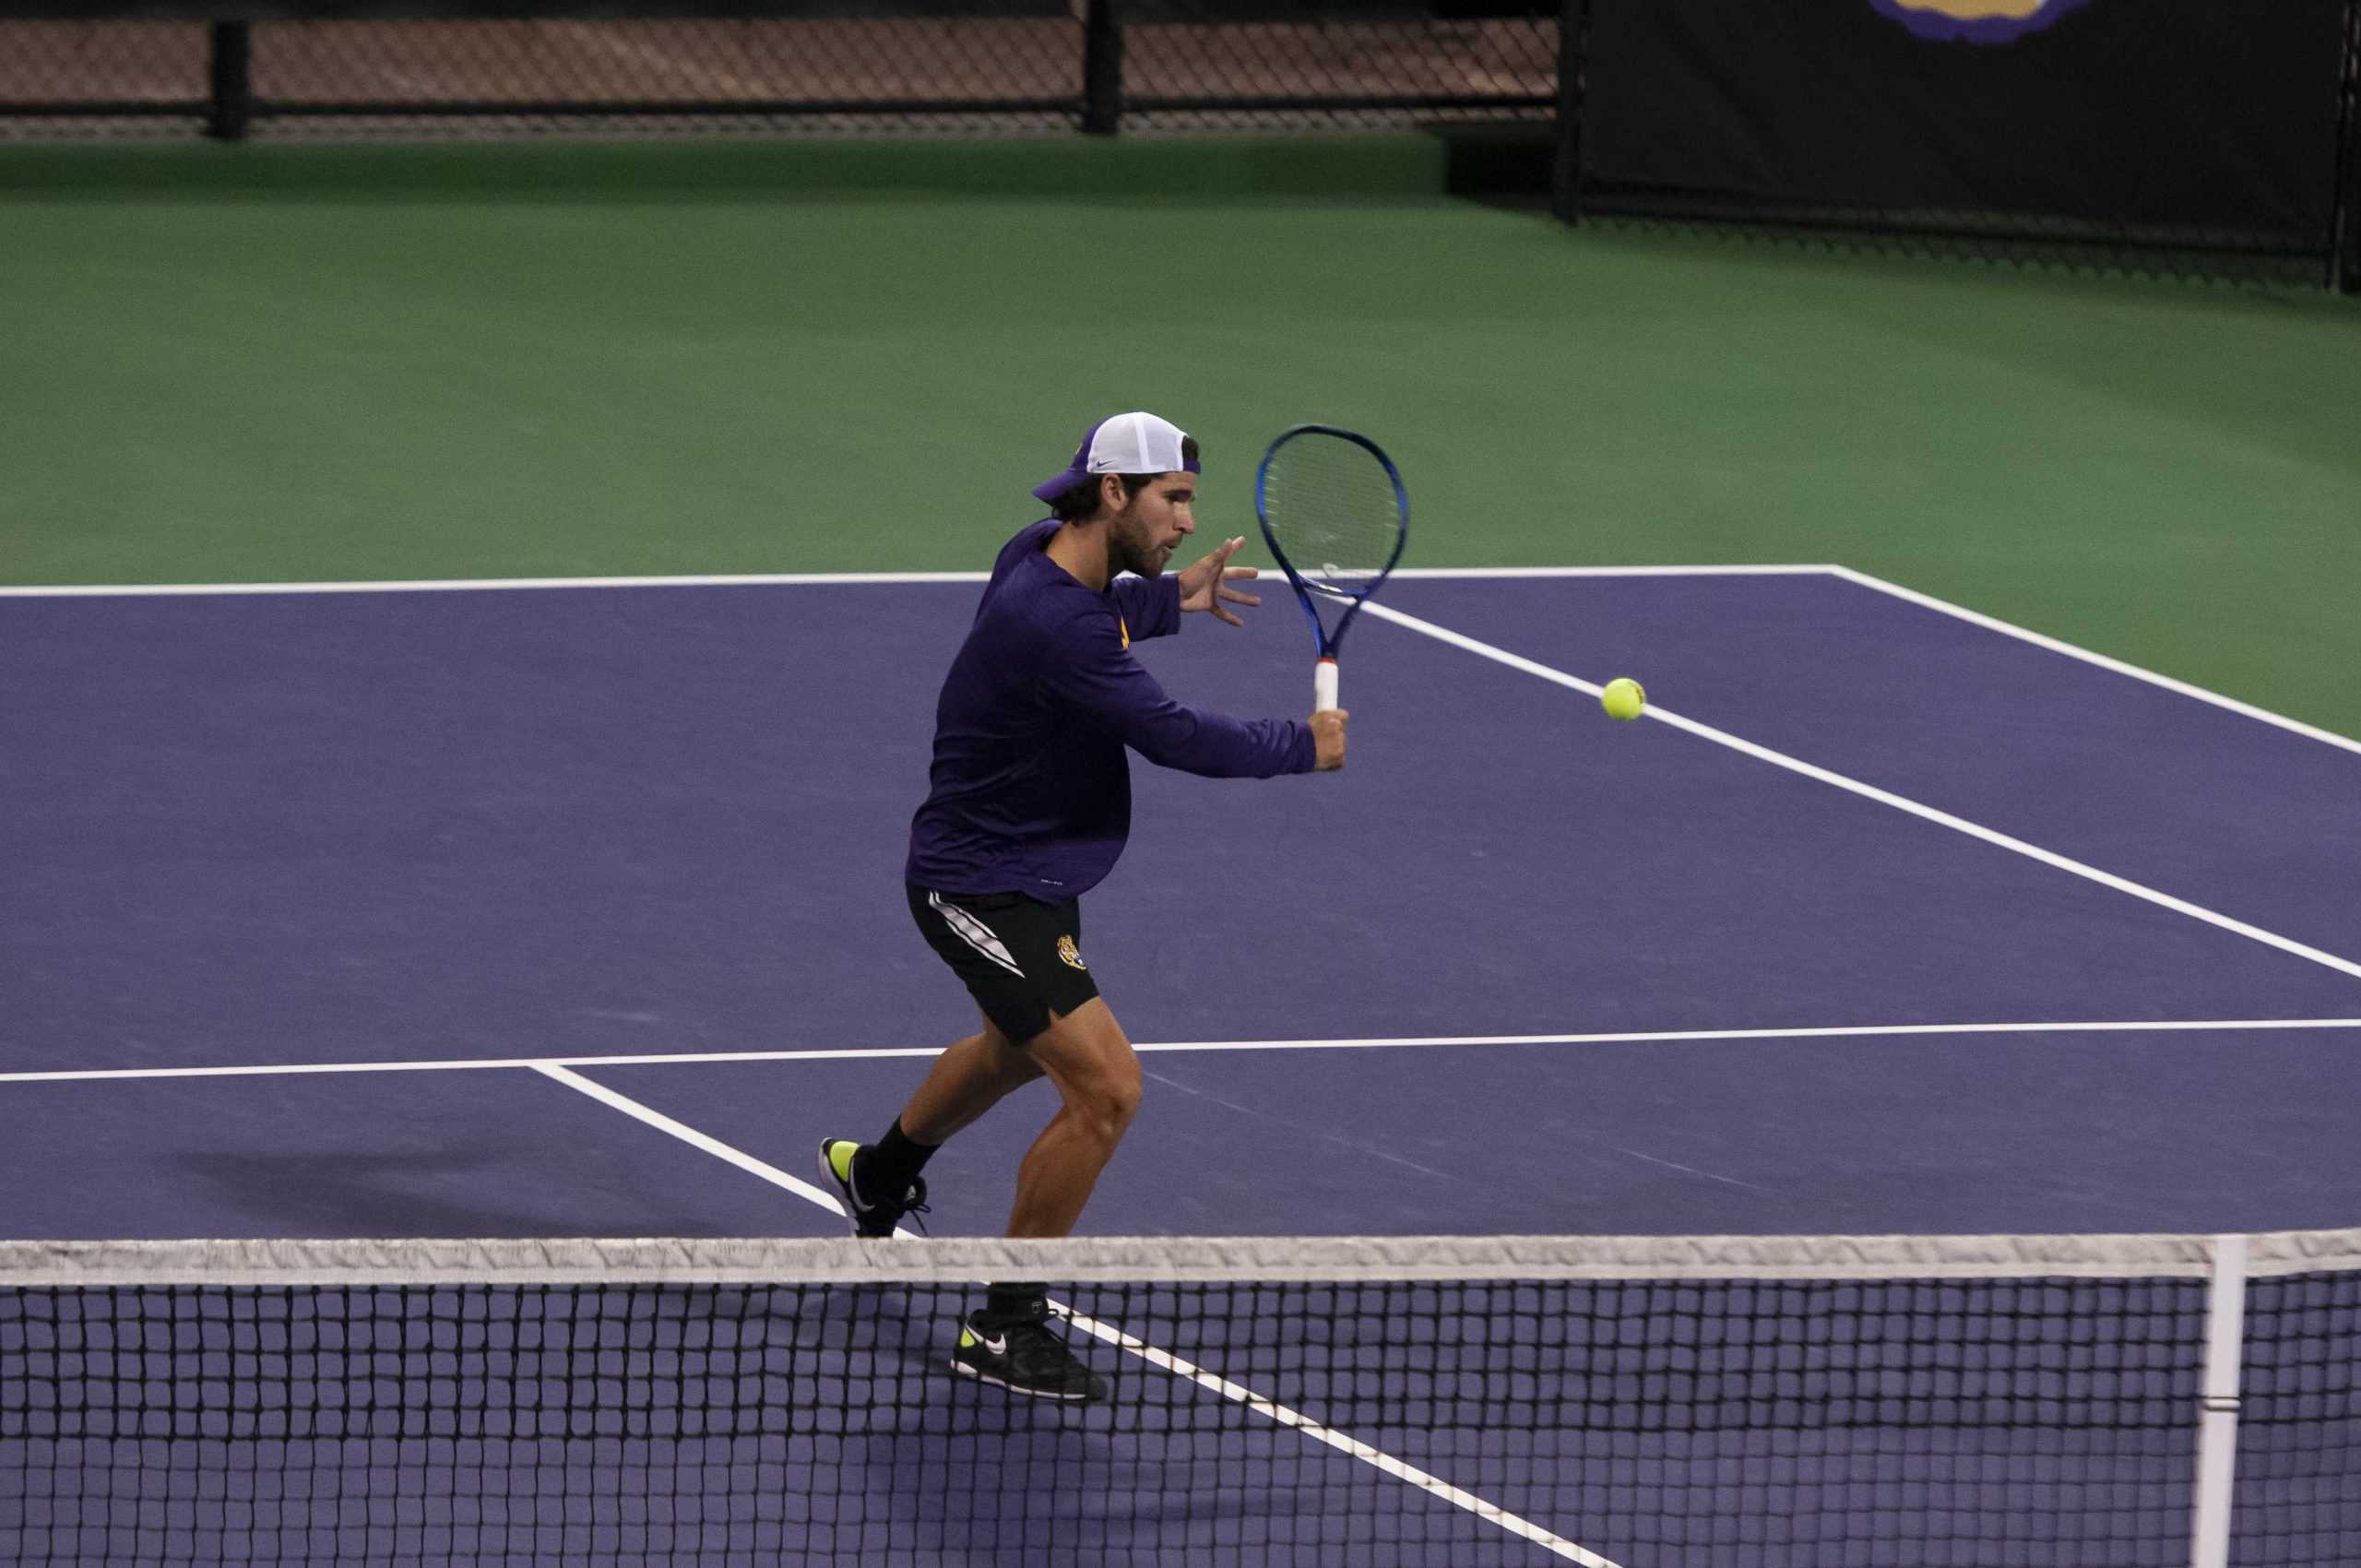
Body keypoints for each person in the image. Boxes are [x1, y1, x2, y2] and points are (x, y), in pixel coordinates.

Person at [818, 411, 1348, 1401]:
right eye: (1174, 499)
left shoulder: (1039, 556)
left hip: (1037, 870)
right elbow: (1174, 732)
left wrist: (1167, 602)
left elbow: (1100, 608)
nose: (1190, 521)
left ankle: (879, 1173)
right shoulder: (1054, 623)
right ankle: (1005, 1324)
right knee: (1104, 1089)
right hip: (975, 883)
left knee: (1016, 1047)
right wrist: (1301, 745)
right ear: (1114, 492)